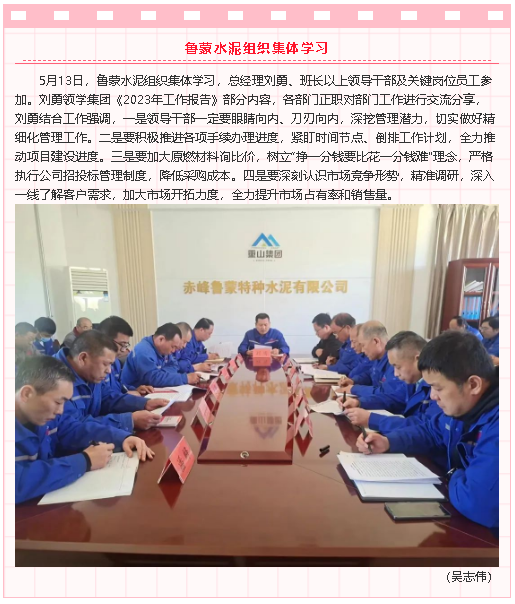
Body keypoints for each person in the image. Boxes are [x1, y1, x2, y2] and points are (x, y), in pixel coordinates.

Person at [356, 331, 499, 530]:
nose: (432, 396)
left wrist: (452, 473)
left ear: (473, 384)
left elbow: (478, 503)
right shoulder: (464, 404)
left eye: (438, 388)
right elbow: (432, 431)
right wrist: (388, 442)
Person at [15, 356, 154, 504]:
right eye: (58, 402)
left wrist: (122, 438)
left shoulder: (44, 415)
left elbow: (76, 428)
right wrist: (84, 461)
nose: (60, 411)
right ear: (27, 394)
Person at [344, 331, 441, 456]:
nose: (395, 373)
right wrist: (360, 402)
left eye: (398, 367)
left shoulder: (437, 387)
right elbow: (395, 398)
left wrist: (372, 419)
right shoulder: (414, 380)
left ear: (418, 360)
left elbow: (425, 428)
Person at [55, 331, 162, 432]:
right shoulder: (54, 380)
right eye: (105, 364)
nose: (109, 370)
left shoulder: (90, 373)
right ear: (83, 358)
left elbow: (108, 398)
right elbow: (73, 428)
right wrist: (129, 421)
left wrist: (144, 403)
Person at [338, 321, 415, 414]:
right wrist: (354, 381)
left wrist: (355, 390)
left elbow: (387, 394)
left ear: (376, 341)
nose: (362, 350)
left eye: (363, 345)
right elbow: (370, 374)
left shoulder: (396, 361)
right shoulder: (378, 358)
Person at [98, 316, 169, 412]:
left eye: (126, 345)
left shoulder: (116, 363)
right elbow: (106, 401)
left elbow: (119, 386)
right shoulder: (96, 368)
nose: (124, 350)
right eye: (122, 345)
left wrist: (134, 389)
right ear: (105, 340)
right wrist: (132, 415)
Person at [122, 323, 200, 388]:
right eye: (173, 347)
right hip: (132, 393)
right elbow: (153, 379)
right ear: (161, 339)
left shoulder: (164, 350)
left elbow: (175, 366)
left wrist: (161, 374)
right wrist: (184, 378)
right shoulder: (143, 350)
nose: (174, 351)